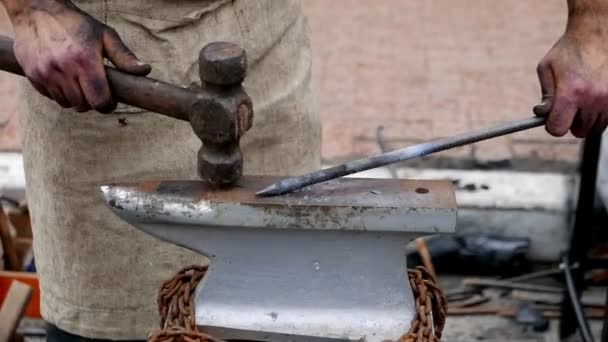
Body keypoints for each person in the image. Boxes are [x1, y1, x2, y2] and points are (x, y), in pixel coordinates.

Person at [0, 0, 606, 340]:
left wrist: (595, 27)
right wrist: (31, 9)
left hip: (260, 28)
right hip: (96, 54)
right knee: (110, 327)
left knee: (292, 309)